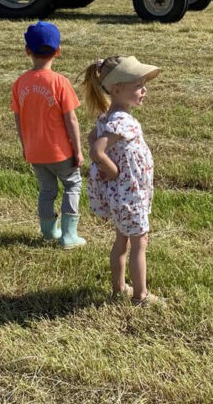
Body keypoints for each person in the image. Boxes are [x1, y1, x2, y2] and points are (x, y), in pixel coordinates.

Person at [80, 55, 161, 306]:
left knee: (122, 240)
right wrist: (112, 170)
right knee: (140, 243)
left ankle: (119, 288)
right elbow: (96, 150)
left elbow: (91, 137)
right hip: (129, 193)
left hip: (123, 193)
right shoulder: (120, 122)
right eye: (138, 85)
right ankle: (140, 296)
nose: (144, 89)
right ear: (117, 89)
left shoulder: (107, 117)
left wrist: (107, 170)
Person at [11, 21, 86, 248]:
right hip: (60, 151)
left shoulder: (20, 83)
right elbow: (71, 119)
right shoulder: (60, 83)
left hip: (35, 151)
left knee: (46, 190)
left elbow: (18, 118)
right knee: (72, 185)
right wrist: (78, 150)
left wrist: (25, 146)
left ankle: (48, 232)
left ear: (27, 51)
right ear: (58, 51)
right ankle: (69, 235)